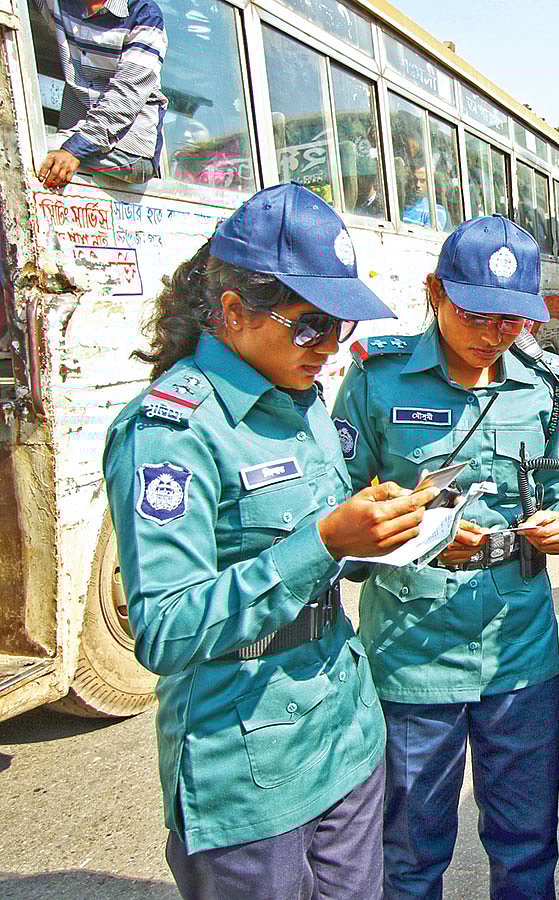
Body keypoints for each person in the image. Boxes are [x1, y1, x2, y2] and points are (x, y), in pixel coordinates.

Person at [103, 183, 438, 899]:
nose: (330, 348)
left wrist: (380, 532)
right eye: (311, 325)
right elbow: (165, 629)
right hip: (249, 769)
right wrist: (323, 542)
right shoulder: (172, 431)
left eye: (339, 326)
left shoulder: (302, 398)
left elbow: (327, 550)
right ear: (233, 313)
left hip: (344, 738)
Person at [331, 214, 559, 900]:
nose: (493, 335)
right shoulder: (377, 381)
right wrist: (420, 535)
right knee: (410, 855)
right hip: (413, 656)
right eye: (476, 316)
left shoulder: (542, 385)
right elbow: (335, 523)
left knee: (527, 846)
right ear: (434, 291)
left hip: (518, 652)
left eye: (511, 321)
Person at [33, 0, 168, 187]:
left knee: (30, 148)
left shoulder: (144, 15)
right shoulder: (58, 3)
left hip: (129, 151)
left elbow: (126, 96)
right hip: (72, 138)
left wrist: (74, 150)